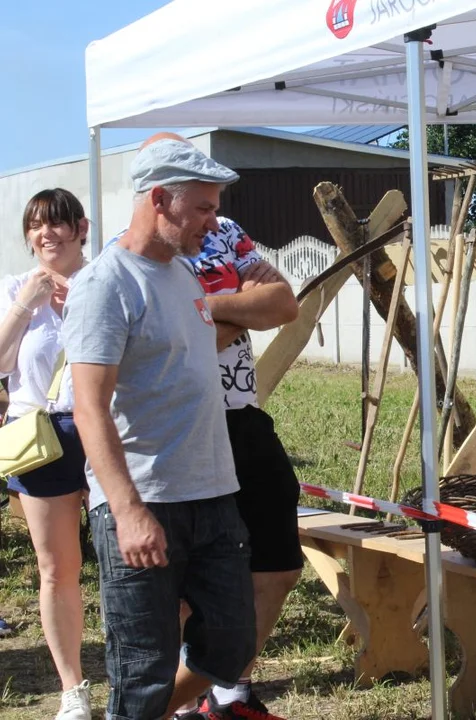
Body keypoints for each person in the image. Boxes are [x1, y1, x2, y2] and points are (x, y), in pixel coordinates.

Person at [63, 136, 256, 720]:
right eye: (202, 207)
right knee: (144, 668)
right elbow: (89, 407)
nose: (213, 221)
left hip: (213, 496)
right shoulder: (106, 284)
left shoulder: (184, 276)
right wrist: (127, 511)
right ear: (159, 201)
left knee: (232, 643)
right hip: (147, 499)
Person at [173, 208, 300, 719]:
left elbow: (283, 304)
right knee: (191, 575)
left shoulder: (226, 231)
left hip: (243, 418)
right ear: (162, 195)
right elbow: (177, 342)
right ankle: (181, 701)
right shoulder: (137, 252)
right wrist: (238, 306)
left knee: (280, 564)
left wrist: (207, 306)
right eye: (200, 199)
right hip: (184, 423)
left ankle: (229, 691)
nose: (211, 210)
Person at [0, 189, 92, 720]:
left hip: (104, 431)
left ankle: (149, 679)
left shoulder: (104, 281)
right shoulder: (17, 287)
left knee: (135, 562)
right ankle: (73, 689)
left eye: (57, 223)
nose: (46, 234)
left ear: (82, 227)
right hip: (37, 435)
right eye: (36, 225)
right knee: (57, 567)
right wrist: (24, 304)